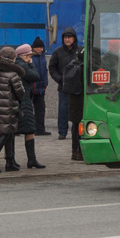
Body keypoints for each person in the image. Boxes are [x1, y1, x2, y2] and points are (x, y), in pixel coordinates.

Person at [0, 46, 27, 172]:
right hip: (8, 108)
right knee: (5, 134)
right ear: (12, 58)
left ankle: (10, 162)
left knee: (9, 133)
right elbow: (20, 93)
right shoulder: (13, 74)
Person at [49, 26, 84, 161]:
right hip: (63, 87)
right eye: (65, 38)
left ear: (74, 38)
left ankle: (78, 137)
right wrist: (60, 80)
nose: (67, 40)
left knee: (77, 114)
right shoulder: (57, 52)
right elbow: (51, 68)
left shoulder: (80, 51)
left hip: (78, 89)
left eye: (69, 37)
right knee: (63, 110)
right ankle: (62, 132)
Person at [13, 44, 46, 169]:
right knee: (29, 129)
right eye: (29, 56)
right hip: (24, 102)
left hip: (22, 101)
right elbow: (36, 76)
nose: (30, 58)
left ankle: (13, 159)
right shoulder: (22, 66)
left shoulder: (18, 65)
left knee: (20, 130)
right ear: (24, 56)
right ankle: (30, 160)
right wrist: (31, 64)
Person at [26, 37, 51, 135]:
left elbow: (44, 71)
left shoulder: (42, 57)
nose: (41, 49)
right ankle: (25, 128)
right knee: (27, 109)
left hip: (41, 87)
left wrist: (45, 83)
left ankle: (40, 129)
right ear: (34, 48)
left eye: (42, 47)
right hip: (31, 87)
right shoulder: (29, 57)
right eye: (39, 47)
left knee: (40, 109)